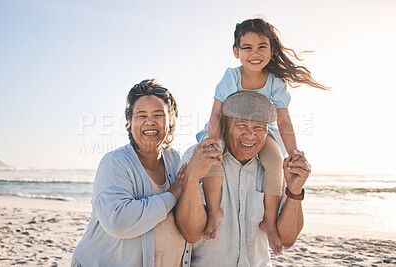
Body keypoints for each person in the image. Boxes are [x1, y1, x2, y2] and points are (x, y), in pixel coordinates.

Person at [199, 18, 327, 254]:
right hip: (225, 129)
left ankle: (269, 221)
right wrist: (212, 142)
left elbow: (284, 121)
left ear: (271, 50)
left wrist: (293, 154)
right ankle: (214, 210)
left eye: (261, 47)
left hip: (260, 132)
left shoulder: (275, 83)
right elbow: (216, 113)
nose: (254, 53)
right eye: (247, 48)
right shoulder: (231, 77)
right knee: (213, 160)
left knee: (275, 160)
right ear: (236, 51)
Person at [176, 91, 311, 267]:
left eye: (259, 128)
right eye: (241, 125)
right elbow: (191, 233)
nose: (250, 135)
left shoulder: (275, 166)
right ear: (225, 124)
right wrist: (192, 178)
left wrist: (294, 192)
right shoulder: (198, 158)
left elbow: (287, 239)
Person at [71, 79, 190, 267]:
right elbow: (118, 221)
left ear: (170, 121)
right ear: (130, 121)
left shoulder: (175, 160)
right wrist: (172, 195)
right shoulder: (115, 162)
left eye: (158, 114)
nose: (150, 121)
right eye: (141, 115)